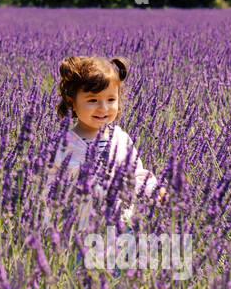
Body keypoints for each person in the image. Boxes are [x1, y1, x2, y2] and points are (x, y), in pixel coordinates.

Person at [43, 55, 162, 228]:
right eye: (93, 100)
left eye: (111, 100)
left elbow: (137, 175)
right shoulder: (62, 144)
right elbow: (47, 185)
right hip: (76, 230)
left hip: (121, 226)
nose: (103, 108)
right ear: (72, 103)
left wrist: (155, 191)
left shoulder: (121, 140)